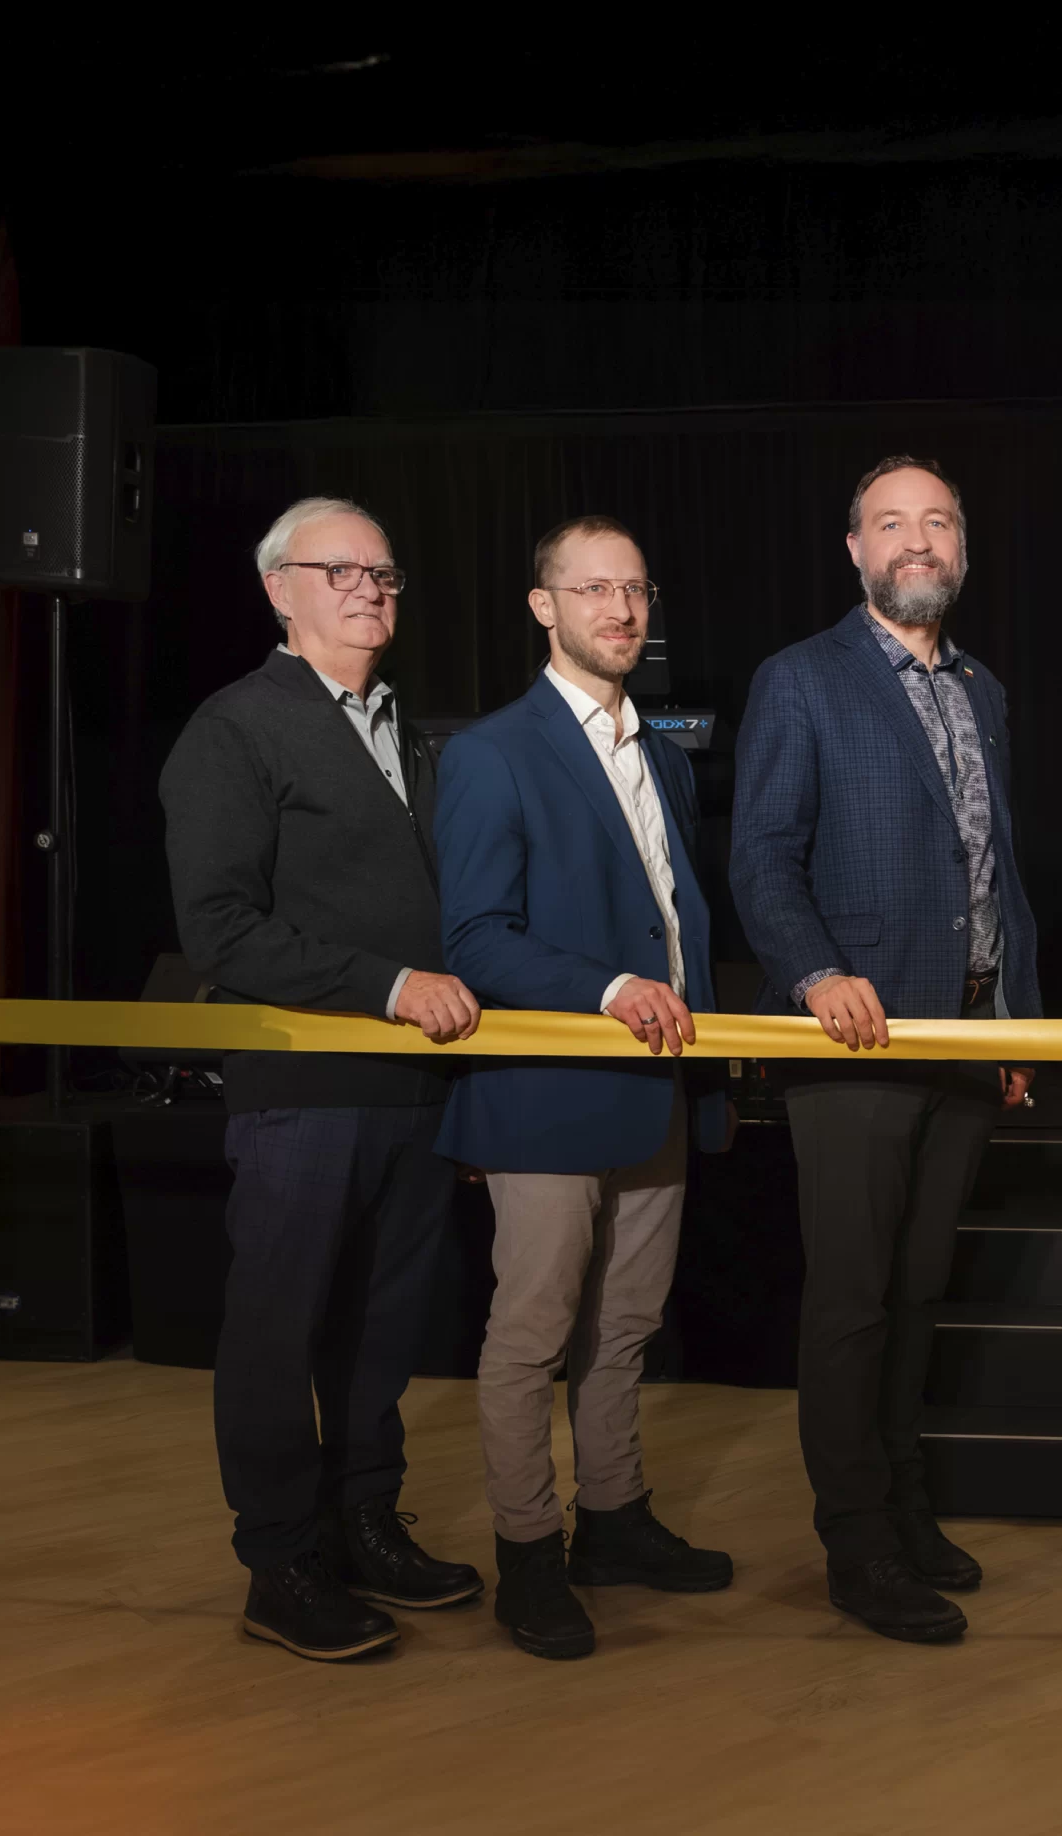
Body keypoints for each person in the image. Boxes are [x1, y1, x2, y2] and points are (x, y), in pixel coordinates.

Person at [161, 496, 484, 1662]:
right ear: (277, 589)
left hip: (416, 1093)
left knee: (379, 1329)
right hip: (304, 1091)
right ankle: (279, 1561)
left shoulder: (415, 734)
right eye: (338, 569)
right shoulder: (234, 729)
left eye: (384, 572)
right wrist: (389, 985)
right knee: (277, 1330)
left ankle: (363, 1524)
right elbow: (222, 930)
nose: (368, 588)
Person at [729, 456, 1041, 1645]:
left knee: (918, 1292)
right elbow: (761, 855)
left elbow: (994, 872)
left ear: (961, 550)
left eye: (940, 523)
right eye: (892, 523)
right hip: (853, 1042)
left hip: (964, 1038)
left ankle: (905, 1509)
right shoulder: (800, 680)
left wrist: (1012, 1021)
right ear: (853, 549)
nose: (919, 541)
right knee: (855, 1301)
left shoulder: (985, 689)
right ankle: (854, 1542)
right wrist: (813, 973)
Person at [434, 514, 734, 1662]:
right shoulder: (492, 753)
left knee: (626, 1327)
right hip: (547, 1091)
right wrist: (609, 986)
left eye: (636, 591)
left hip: (656, 1088)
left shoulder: (660, 752)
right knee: (533, 1332)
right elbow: (475, 938)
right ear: (542, 606)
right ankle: (527, 1553)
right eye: (592, 590)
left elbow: (677, 921)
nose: (620, 610)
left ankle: (613, 1518)